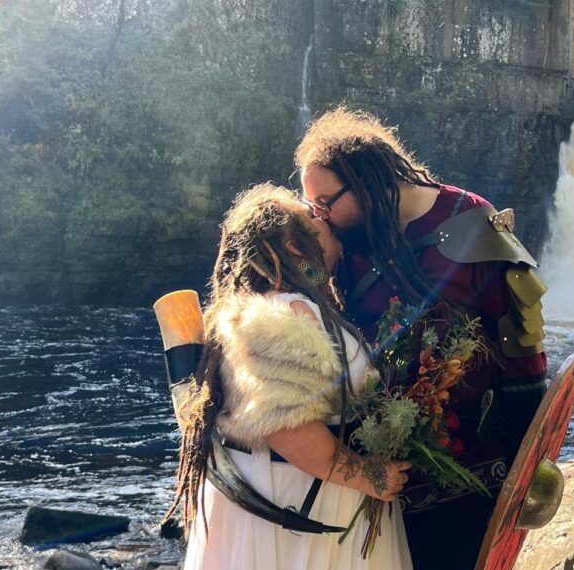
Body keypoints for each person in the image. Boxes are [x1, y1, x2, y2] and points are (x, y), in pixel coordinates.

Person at [294, 108, 548, 570]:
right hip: (375, 473)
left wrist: (528, 464)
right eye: (314, 205)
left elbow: (522, 349)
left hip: (467, 470)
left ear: (367, 181)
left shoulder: (472, 222)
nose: (321, 216)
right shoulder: (348, 241)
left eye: (326, 202)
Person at [167, 184, 413, 570]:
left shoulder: (293, 307)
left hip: (301, 499)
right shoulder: (287, 314)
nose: (324, 216)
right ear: (297, 247)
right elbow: (289, 430)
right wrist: (369, 476)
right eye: (313, 216)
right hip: (299, 508)